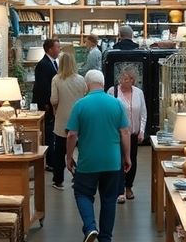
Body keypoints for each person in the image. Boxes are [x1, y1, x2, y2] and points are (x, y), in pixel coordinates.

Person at [66, 69, 131, 242]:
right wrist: (127, 157)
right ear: (103, 83)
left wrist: (68, 156)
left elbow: (72, 134)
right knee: (109, 199)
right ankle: (105, 238)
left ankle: (90, 227)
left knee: (82, 193)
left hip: (88, 162)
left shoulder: (80, 105)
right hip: (112, 161)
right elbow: (125, 132)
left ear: (87, 84)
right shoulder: (116, 104)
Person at [106, 67, 146, 203]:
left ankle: (129, 187)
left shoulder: (138, 93)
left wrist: (142, 131)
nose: (123, 82)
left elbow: (143, 113)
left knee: (132, 160)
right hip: (117, 134)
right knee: (119, 160)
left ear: (132, 81)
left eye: (126, 79)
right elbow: (109, 113)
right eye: (121, 79)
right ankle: (120, 189)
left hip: (133, 133)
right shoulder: (112, 92)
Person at [51, 52, 87, 191]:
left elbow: (54, 100)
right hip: (79, 120)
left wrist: (56, 108)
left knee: (59, 152)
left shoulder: (56, 79)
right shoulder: (81, 79)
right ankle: (81, 176)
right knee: (82, 150)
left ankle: (58, 180)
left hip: (62, 120)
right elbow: (85, 96)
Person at [31, 38, 60, 171]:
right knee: (48, 133)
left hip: (50, 104)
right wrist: (47, 104)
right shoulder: (43, 64)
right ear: (50, 49)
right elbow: (43, 87)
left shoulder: (52, 63)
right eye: (57, 47)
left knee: (51, 133)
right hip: (45, 105)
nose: (59, 50)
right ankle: (50, 161)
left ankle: (53, 160)